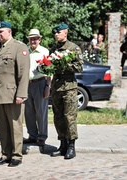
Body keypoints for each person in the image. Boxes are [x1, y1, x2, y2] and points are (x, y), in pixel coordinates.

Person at [0, 21, 30, 167]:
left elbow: (23, 73)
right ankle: (5, 153)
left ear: (9, 31)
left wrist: (21, 94)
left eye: (1, 31)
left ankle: (16, 155)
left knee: (15, 126)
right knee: (2, 127)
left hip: (12, 94)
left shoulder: (19, 47)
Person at [49, 23, 83, 159]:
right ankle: (62, 145)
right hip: (56, 87)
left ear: (65, 33)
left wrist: (64, 64)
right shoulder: (53, 49)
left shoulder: (73, 48)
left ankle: (71, 146)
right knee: (58, 117)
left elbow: (79, 67)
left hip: (69, 87)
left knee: (69, 117)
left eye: (59, 32)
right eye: (55, 33)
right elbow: (50, 65)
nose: (56, 34)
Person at [23, 29, 51, 147]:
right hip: (27, 84)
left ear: (40, 39)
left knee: (41, 112)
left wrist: (48, 86)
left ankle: (42, 136)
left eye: (35, 38)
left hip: (40, 83)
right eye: (31, 38)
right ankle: (32, 135)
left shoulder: (44, 51)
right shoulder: (25, 51)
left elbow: (50, 70)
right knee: (28, 112)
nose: (33, 41)